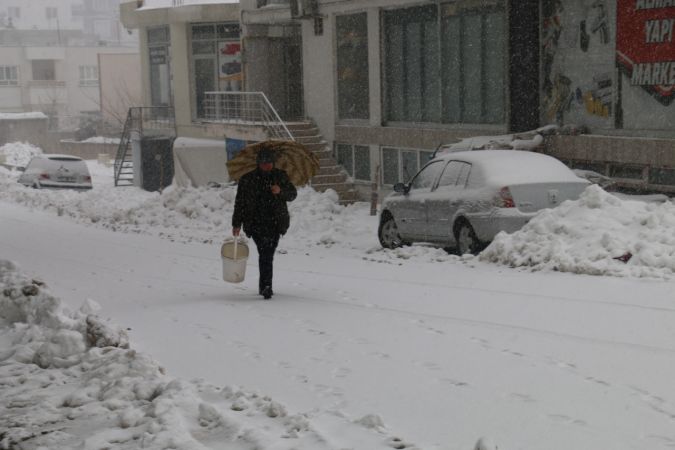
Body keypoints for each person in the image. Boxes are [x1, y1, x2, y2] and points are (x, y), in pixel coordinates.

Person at [232, 148, 297, 299]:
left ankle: (265, 286)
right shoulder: (247, 179)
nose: (267, 166)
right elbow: (239, 203)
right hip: (255, 223)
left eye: (270, 163)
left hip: (276, 222)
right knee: (265, 253)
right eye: (264, 163)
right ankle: (266, 286)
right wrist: (236, 224)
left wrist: (280, 191)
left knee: (268, 253)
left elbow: (292, 194)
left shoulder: (280, 176)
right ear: (258, 163)